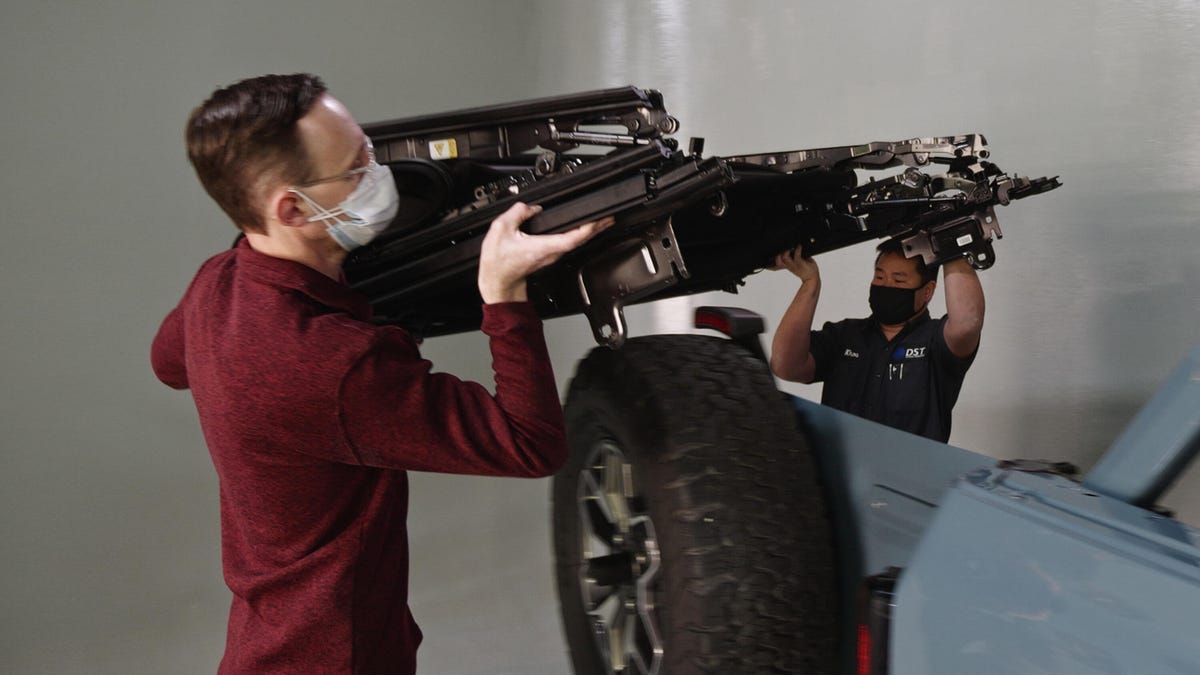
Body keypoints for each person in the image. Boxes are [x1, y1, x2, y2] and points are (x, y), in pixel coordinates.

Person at [150, 73, 612, 674]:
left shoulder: (217, 282)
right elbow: (529, 444)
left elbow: (167, 362)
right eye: (356, 167)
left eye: (368, 150)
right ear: (292, 208)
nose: (379, 173)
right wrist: (503, 294)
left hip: (269, 649)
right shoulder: (335, 367)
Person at [769, 238, 985, 442]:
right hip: (839, 465)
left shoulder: (936, 341)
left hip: (911, 468)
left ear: (927, 291)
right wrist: (809, 282)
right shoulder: (845, 335)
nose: (886, 285)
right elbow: (786, 366)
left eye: (898, 280)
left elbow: (966, 324)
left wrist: (949, 243)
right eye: (879, 277)